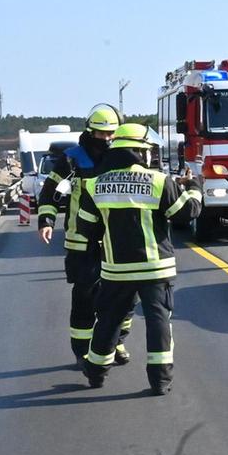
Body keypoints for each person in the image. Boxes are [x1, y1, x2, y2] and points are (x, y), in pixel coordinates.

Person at [76, 123, 202, 396]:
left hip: (116, 270)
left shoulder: (95, 185)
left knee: (108, 320)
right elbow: (188, 212)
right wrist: (194, 186)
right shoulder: (159, 181)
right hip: (155, 268)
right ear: (139, 153)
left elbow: (86, 228)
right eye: (147, 152)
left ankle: (96, 373)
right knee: (158, 321)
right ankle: (160, 381)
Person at [36, 103, 132, 367]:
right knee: (85, 296)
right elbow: (51, 192)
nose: (107, 139)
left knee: (123, 295)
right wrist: (46, 220)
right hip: (82, 240)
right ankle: (82, 350)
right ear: (90, 132)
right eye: (102, 135)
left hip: (118, 239)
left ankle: (116, 340)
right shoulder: (73, 159)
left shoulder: (124, 156)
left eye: (112, 134)